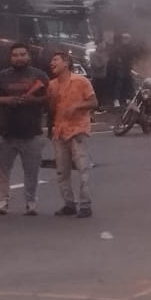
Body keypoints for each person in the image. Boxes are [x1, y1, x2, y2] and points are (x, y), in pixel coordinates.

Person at [0, 42, 50, 216]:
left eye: (22, 54)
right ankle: (2, 203)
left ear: (28, 56)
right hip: (5, 133)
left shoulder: (39, 75)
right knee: (2, 172)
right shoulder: (2, 76)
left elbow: (49, 97)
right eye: (15, 55)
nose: (19, 58)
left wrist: (33, 101)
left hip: (32, 134)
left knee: (31, 172)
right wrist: (8, 101)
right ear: (10, 58)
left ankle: (31, 203)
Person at [49, 50, 97, 218]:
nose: (52, 63)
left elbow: (93, 102)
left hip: (78, 130)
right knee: (62, 171)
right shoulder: (52, 85)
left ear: (66, 63)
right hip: (59, 131)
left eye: (56, 59)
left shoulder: (81, 81)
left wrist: (77, 106)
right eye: (52, 60)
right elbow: (51, 108)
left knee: (83, 169)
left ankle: (85, 204)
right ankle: (69, 204)